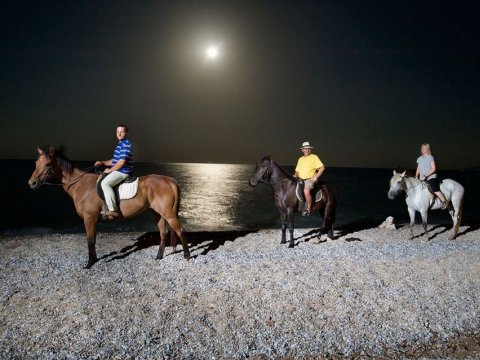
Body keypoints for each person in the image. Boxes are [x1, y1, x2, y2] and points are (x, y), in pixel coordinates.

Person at [94, 124, 134, 217]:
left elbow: (121, 163)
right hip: (120, 170)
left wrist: (110, 170)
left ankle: (113, 209)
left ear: (126, 133)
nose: (119, 134)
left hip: (124, 171)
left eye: (122, 132)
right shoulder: (120, 143)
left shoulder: (126, 144)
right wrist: (102, 162)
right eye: (117, 131)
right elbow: (114, 160)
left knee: (105, 183)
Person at [294, 141, 325, 216]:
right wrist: (295, 175)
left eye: (308, 148)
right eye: (305, 149)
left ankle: (308, 209)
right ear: (302, 150)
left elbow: (322, 168)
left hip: (309, 180)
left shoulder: (314, 157)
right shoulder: (300, 159)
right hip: (300, 179)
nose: (307, 150)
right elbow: (297, 171)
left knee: (306, 190)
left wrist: (315, 177)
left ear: (310, 149)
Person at [415, 143, 448, 210]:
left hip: (431, 177)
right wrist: (416, 176)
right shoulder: (419, 158)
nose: (422, 149)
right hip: (421, 178)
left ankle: (444, 201)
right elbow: (418, 168)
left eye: (424, 148)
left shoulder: (430, 157)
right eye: (422, 148)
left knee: (434, 188)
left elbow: (433, 168)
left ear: (427, 149)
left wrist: (426, 176)